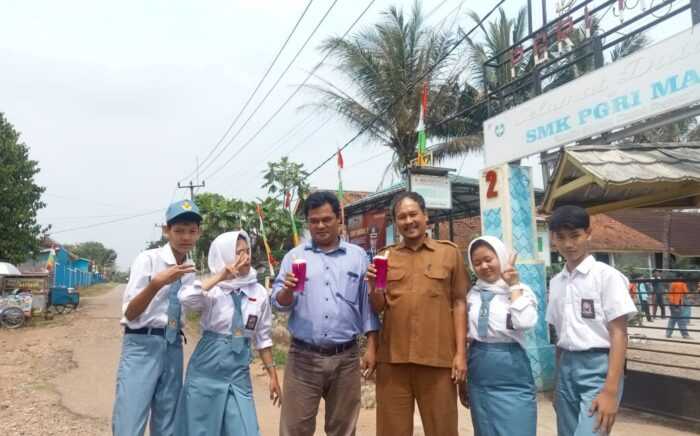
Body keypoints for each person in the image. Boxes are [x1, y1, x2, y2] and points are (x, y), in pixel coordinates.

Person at [271, 191, 380, 436]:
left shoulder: (357, 257)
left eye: (326, 219)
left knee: (343, 429)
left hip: (346, 358)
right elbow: (278, 303)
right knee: (295, 428)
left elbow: (367, 305)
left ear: (338, 219)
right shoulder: (294, 257)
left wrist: (372, 347)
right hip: (303, 357)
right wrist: (286, 290)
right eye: (314, 220)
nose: (320, 225)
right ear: (308, 223)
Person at [366, 191, 469, 436]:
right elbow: (378, 307)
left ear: (425, 216)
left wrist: (461, 354)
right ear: (395, 222)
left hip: (438, 359)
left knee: (442, 429)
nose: (408, 221)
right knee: (391, 431)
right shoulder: (385, 256)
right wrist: (373, 286)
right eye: (401, 217)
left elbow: (460, 302)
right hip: (393, 361)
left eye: (413, 214)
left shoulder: (449, 253)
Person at [175, 231, 281, 435]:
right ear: (225, 257)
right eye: (238, 253)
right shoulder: (213, 290)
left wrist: (272, 375)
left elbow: (263, 338)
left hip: (237, 374)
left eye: (247, 251)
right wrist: (222, 275)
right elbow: (186, 298)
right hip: (205, 371)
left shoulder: (258, 292)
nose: (246, 257)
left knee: (245, 429)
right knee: (200, 430)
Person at [112, 199, 201, 436]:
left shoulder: (190, 268)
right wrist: (157, 284)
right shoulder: (148, 260)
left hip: (172, 345)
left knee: (168, 420)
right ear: (166, 230)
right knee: (129, 420)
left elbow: (195, 303)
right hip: (142, 344)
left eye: (191, 231)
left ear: (199, 233)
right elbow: (130, 313)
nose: (185, 237)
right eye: (179, 230)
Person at [546, 205, 636, 436]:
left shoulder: (607, 277)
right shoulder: (556, 282)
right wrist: (558, 384)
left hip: (599, 368)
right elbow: (559, 336)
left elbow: (619, 333)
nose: (568, 244)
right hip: (566, 367)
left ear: (588, 233)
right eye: (561, 237)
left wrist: (610, 391)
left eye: (575, 236)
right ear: (553, 238)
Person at [463, 236, 538, 436]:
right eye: (477, 263)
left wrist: (513, 285)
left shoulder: (522, 291)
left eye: (489, 259)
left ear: (501, 257)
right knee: (485, 430)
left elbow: (525, 322)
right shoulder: (472, 295)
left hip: (512, 372)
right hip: (479, 369)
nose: (484, 266)